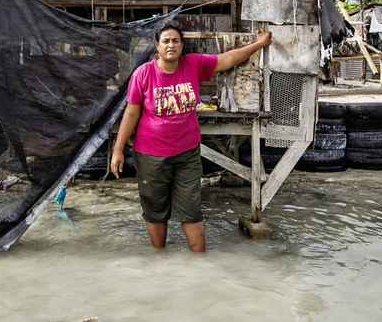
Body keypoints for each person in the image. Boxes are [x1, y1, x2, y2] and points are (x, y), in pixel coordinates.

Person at [110, 20, 272, 252]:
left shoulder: (193, 64)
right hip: (150, 155)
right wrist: (118, 149)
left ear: (182, 45)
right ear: (157, 45)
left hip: (186, 153)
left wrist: (258, 44)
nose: (171, 45)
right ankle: (160, 258)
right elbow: (132, 113)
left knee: (191, 208)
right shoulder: (143, 74)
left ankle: (199, 263)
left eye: (176, 41)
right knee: (155, 209)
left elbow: (227, 59)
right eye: (165, 41)